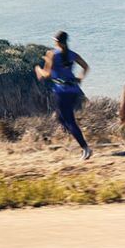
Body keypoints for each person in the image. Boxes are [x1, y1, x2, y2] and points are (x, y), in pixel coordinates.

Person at [34, 31, 93, 160]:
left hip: (61, 91)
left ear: (57, 41)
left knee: (69, 120)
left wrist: (38, 69)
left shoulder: (52, 54)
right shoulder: (72, 54)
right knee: (60, 118)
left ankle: (85, 148)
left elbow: (47, 74)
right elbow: (86, 66)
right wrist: (80, 78)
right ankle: (75, 138)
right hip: (73, 90)